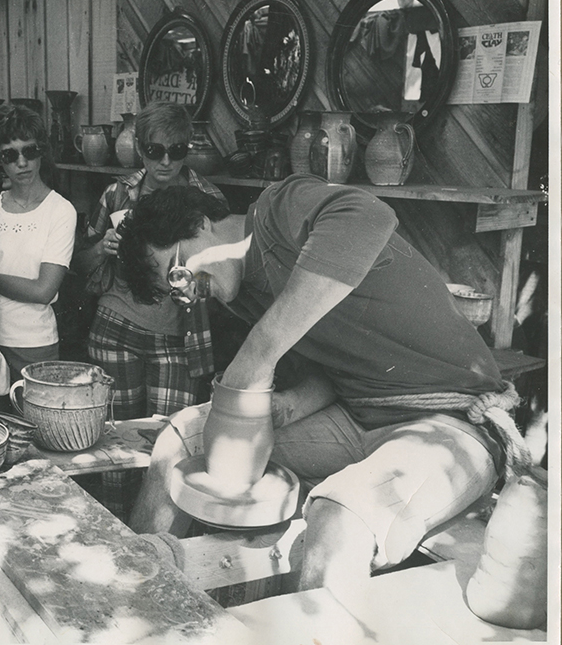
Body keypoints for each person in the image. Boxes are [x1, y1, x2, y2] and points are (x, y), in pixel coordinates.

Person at [116, 175, 523, 601]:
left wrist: (258, 351)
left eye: (177, 272)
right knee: (178, 440)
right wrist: (291, 404)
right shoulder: (243, 294)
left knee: (340, 515)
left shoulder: (278, 211)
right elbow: (332, 365)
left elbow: (367, 215)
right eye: (174, 292)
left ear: (199, 224)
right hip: (358, 414)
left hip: (454, 423)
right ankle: (132, 603)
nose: (186, 293)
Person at [71, 101, 228, 420]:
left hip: (178, 339)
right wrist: (103, 247)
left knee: (168, 441)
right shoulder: (117, 195)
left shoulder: (208, 200)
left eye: (177, 150)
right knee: (113, 442)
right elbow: (79, 266)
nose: (167, 161)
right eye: (156, 151)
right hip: (115, 329)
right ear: (141, 149)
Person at [0, 103, 76, 381]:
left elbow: (44, 290)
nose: (22, 163)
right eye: (10, 155)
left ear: (42, 151)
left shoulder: (60, 210)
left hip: (34, 343)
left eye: (30, 151)